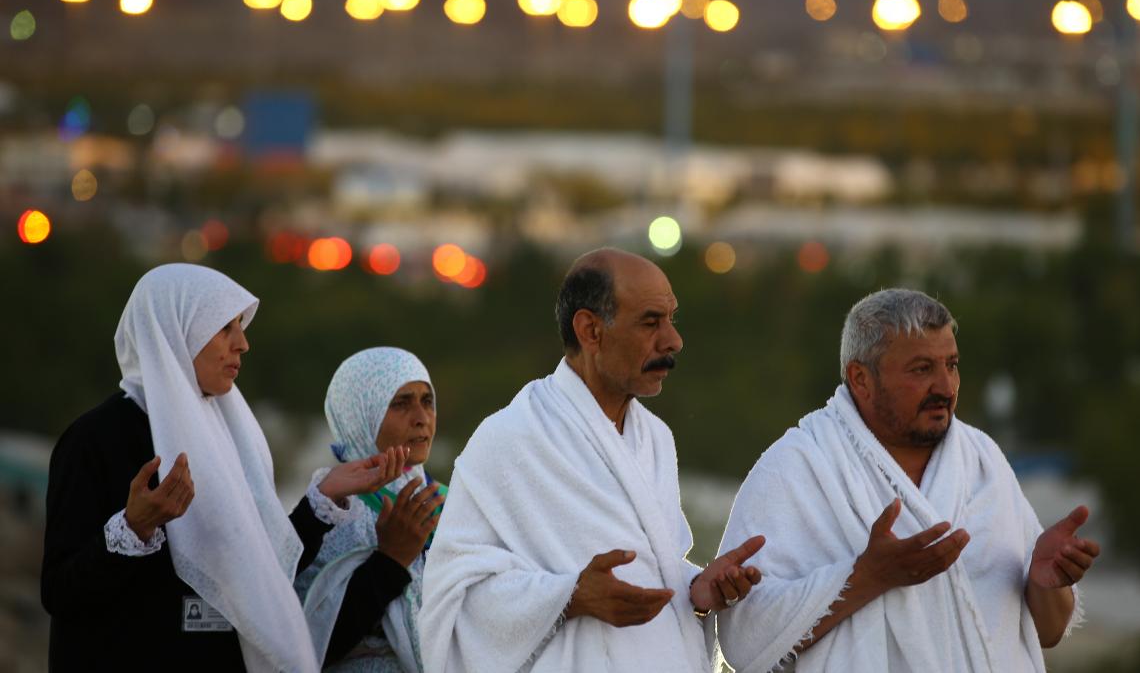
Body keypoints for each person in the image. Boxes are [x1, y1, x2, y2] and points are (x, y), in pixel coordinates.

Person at [715, 289, 1102, 672]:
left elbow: (1047, 632)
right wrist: (867, 577)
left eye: (951, 365)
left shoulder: (983, 461)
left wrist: (1046, 581)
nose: (945, 387)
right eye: (921, 369)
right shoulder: (797, 468)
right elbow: (743, 641)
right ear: (861, 378)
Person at [41, 263, 404, 672]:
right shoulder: (96, 438)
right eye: (224, 328)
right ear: (177, 331)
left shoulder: (229, 436)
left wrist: (325, 498)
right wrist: (132, 529)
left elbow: (255, 573)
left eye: (241, 327)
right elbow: (60, 591)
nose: (243, 344)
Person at [420, 247, 765, 673]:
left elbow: (653, 567)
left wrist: (696, 586)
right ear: (590, 330)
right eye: (650, 322)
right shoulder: (511, 439)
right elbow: (454, 597)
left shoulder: (655, 438)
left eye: (671, 319)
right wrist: (569, 597)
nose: (673, 341)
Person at [296, 347, 447, 672]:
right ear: (360, 412)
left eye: (427, 401)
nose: (422, 418)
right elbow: (310, 642)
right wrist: (390, 561)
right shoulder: (331, 512)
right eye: (401, 403)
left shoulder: (445, 503)